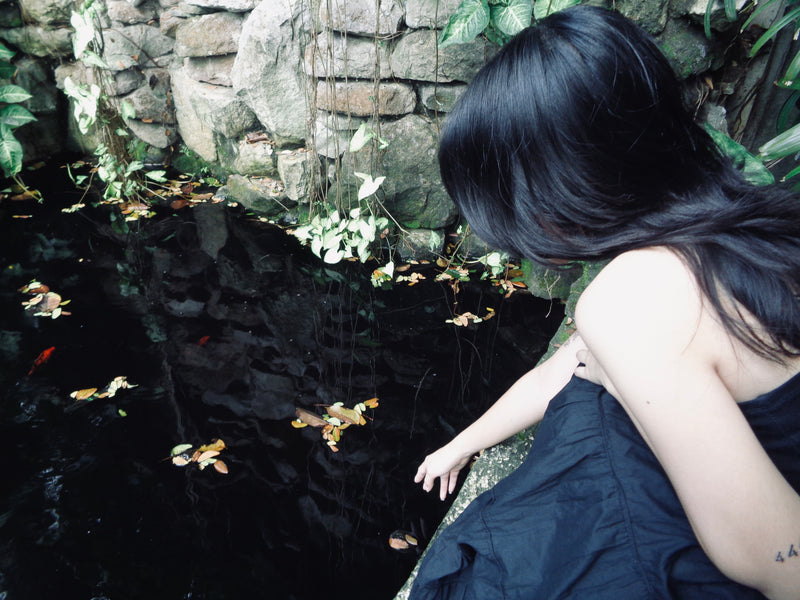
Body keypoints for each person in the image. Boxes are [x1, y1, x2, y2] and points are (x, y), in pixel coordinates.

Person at [410, 5, 800, 599]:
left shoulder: (638, 293)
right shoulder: (728, 227)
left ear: (557, 185)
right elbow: (566, 366)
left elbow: (780, 561)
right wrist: (461, 445)